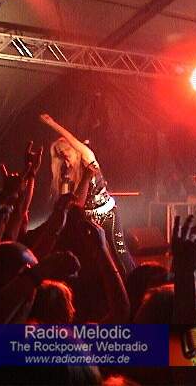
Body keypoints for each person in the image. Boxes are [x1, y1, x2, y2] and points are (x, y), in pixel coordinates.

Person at [40, 113, 135, 277]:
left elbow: (76, 143)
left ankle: (132, 279)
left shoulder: (88, 160)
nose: (64, 155)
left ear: (74, 149)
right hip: (88, 218)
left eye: (66, 150)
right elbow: (68, 203)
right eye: (60, 153)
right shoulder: (67, 175)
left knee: (119, 251)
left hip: (107, 214)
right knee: (95, 256)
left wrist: (53, 124)